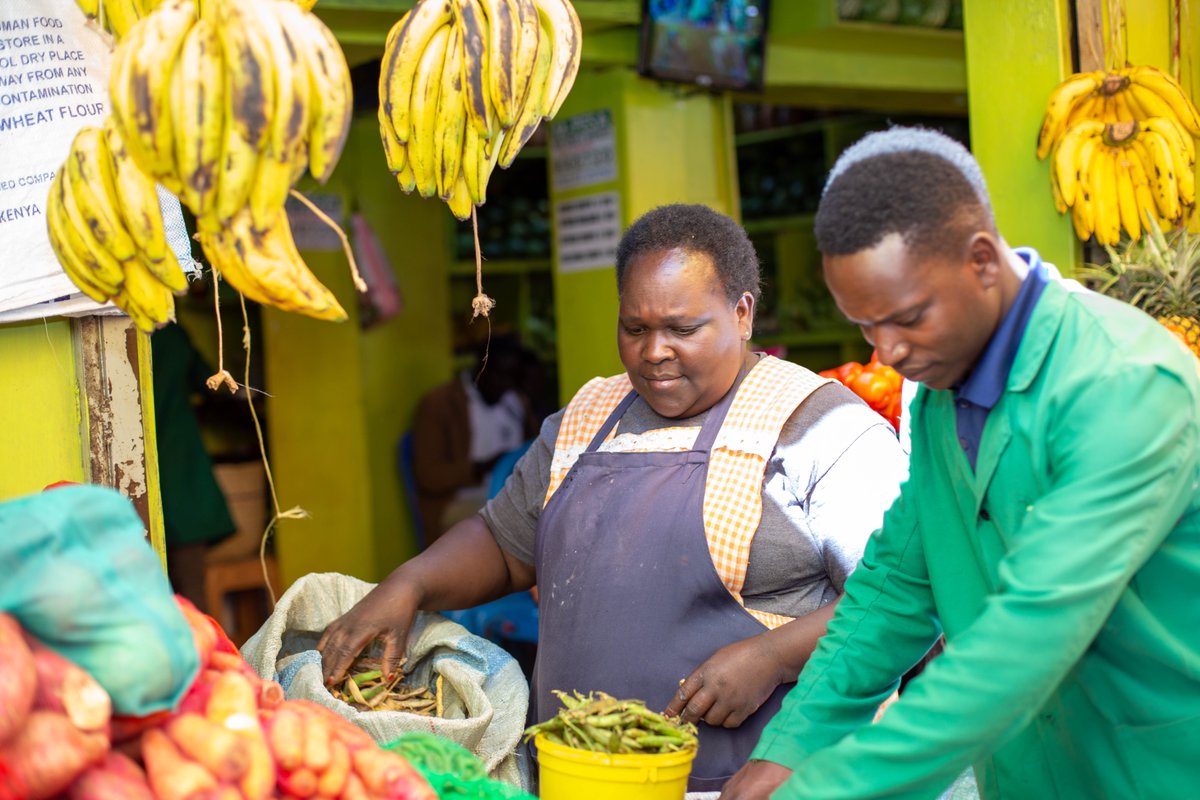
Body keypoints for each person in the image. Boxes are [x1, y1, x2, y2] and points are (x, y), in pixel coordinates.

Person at [319, 203, 909, 790]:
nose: (654, 352)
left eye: (682, 329)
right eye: (635, 329)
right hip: (578, 779)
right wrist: (410, 584)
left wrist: (773, 657)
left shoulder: (818, 427)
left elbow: (901, 601)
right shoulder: (585, 418)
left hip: (759, 780)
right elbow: (504, 544)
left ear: (743, 312)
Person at [722, 127, 1200, 800]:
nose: (888, 351)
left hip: (1154, 773)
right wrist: (793, 747)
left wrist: (823, 790)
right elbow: (895, 586)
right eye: (864, 326)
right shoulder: (943, 398)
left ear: (981, 261)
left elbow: (1027, 639)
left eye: (908, 317)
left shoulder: (1123, 385)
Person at [409, 336, 538, 542]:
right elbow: (428, 476)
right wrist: (483, 467)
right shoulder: (440, 403)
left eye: (512, 377)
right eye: (499, 374)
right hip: (457, 502)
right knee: (517, 521)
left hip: (510, 495)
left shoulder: (515, 403)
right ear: (481, 365)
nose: (505, 384)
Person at [151, 322, 237, 613]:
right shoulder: (172, 335)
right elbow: (211, 383)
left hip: (138, 466)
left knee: (147, 586)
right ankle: (202, 656)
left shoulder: (112, 327)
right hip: (179, 463)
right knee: (191, 590)